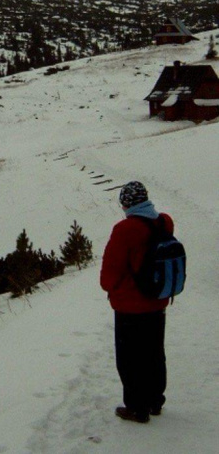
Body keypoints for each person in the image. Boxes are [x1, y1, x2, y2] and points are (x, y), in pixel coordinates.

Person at [100, 181, 173, 424]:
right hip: (158, 300)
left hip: (130, 306)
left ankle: (136, 408)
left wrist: (110, 287)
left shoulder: (125, 229)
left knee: (130, 358)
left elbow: (110, 271)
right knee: (154, 352)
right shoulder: (164, 221)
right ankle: (155, 401)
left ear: (128, 203)